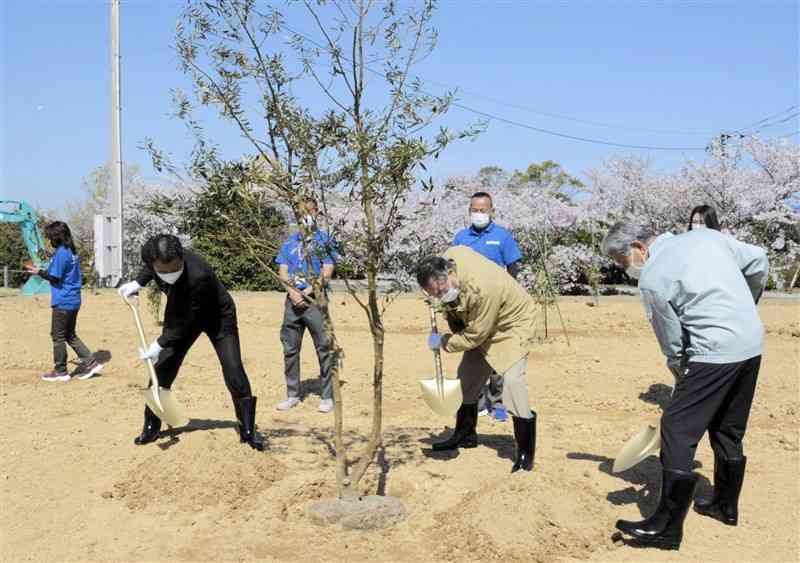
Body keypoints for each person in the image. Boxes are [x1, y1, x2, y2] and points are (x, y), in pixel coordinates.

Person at [601, 220, 768, 550]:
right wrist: (746, 305)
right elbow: (759, 260)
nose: (626, 270)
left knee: (676, 428)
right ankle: (725, 505)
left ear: (638, 248)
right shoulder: (708, 237)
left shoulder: (652, 276)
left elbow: (673, 342)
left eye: (623, 263)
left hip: (713, 352)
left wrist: (682, 373)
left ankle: (666, 527)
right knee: (727, 427)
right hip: (751, 342)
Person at [118, 234, 264, 451]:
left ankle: (248, 429)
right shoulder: (156, 260)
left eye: (173, 269)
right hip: (180, 313)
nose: (168, 275)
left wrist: (159, 344)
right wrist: (138, 282)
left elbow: (187, 321)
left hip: (218, 317)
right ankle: (152, 424)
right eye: (162, 271)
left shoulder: (199, 274)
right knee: (163, 366)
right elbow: (152, 266)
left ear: (181, 258)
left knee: (233, 367)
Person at [416, 246, 537, 472]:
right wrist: (441, 304)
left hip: (512, 325)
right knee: (467, 379)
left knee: (513, 384)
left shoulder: (483, 287)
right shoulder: (450, 259)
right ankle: (465, 434)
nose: (440, 296)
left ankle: (524, 454)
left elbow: (475, 335)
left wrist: (444, 342)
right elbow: (461, 317)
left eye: (441, 291)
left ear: (449, 274)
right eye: (434, 294)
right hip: (481, 323)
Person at [452, 191, 523, 418]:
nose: (479, 214)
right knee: (474, 354)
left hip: (497, 307)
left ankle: (498, 401)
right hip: (469, 307)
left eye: (483, 210)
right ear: (469, 211)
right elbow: (451, 268)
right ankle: (478, 401)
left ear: (492, 211)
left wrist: (507, 293)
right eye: (475, 210)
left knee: (497, 353)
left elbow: (513, 266)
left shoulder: (502, 237)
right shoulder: (461, 238)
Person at [275, 197, 338, 413]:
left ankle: (327, 395)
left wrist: (309, 292)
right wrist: (292, 292)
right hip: (292, 302)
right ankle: (292, 394)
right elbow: (282, 270)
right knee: (290, 348)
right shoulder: (289, 242)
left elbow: (327, 271)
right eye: (301, 214)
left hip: (315, 301)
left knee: (324, 347)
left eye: (309, 212)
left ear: (317, 212)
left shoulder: (325, 241)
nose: (305, 217)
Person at [24, 221, 104, 382]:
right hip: (73, 299)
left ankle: (60, 371)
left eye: (49, 237)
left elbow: (55, 277)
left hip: (63, 301)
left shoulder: (61, 253)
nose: (48, 240)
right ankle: (91, 363)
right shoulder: (70, 251)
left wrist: (38, 272)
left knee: (57, 335)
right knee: (69, 334)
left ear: (56, 237)